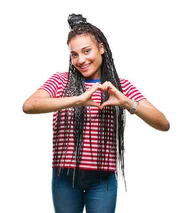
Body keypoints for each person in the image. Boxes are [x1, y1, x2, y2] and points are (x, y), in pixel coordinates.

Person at [22, 14, 170, 213]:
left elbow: (163, 123)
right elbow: (29, 105)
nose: (80, 59)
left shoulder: (119, 86)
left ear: (101, 48)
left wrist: (126, 102)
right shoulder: (60, 81)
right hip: (64, 178)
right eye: (74, 54)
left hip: (103, 180)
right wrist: (78, 99)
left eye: (86, 51)